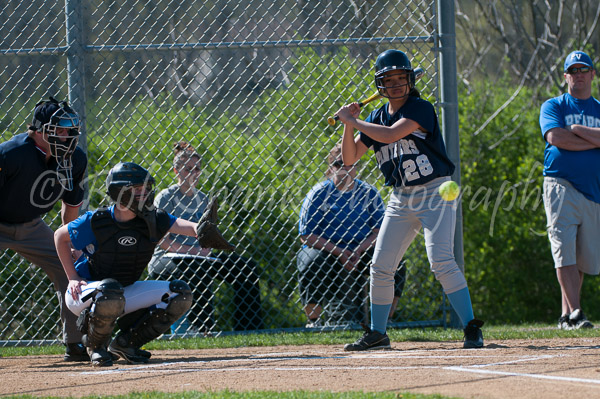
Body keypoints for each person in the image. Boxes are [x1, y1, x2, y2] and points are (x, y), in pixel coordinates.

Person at [334, 49, 484, 350]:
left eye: (401, 78)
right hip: (401, 197)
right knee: (381, 265)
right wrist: (350, 123)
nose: (396, 84)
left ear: (410, 80)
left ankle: (470, 327)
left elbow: (390, 136)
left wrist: (354, 120)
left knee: (440, 260)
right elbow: (348, 158)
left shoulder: (420, 108)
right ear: (380, 85)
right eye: (389, 80)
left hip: (436, 191)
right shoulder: (376, 117)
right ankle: (378, 333)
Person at [54, 162, 229, 367]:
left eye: (146, 189)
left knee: (180, 293)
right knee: (110, 289)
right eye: (137, 189)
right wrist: (73, 277)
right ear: (119, 192)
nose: (144, 194)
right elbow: (60, 236)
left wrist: (202, 229)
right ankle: (96, 347)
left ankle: (125, 343)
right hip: (85, 292)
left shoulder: (154, 219)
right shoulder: (98, 221)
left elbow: (187, 227)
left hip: (122, 291)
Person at [0, 97, 89, 361]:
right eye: (59, 130)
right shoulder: (10, 154)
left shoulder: (75, 158)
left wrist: (70, 243)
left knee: (69, 270)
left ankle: (75, 343)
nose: (66, 136)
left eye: (70, 130)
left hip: (32, 226)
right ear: (39, 130)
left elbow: (70, 206)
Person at [148, 142, 263, 332]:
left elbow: (206, 234)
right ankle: (201, 328)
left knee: (245, 267)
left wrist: (210, 246)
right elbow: (161, 240)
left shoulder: (202, 198)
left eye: (197, 169)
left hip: (198, 256)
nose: (194, 173)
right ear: (176, 171)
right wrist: (191, 250)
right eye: (188, 169)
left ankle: (249, 329)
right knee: (197, 267)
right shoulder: (165, 197)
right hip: (166, 258)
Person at [297, 143, 405, 327]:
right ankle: (313, 322)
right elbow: (307, 236)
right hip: (327, 250)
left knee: (397, 261)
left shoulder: (368, 193)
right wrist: (340, 252)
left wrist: (358, 250)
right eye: (339, 164)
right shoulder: (318, 193)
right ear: (331, 168)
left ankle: (386, 319)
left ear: (356, 167)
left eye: (351, 163)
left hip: (361, 248)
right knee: (310, 261)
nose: (345, 168)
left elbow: (380, 231)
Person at [539, 50, 600, 330]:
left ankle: (566, 316)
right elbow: (555, 137)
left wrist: (576, 130)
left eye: (583, 70)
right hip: (559, 184)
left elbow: (568, 137)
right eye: (573, 71)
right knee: (563, 248)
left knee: (581, 255)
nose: (578, 75)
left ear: (592, 74)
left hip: (593, 189)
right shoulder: (554, 105)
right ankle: (576, 312)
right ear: (565, 76)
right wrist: (594, 140)